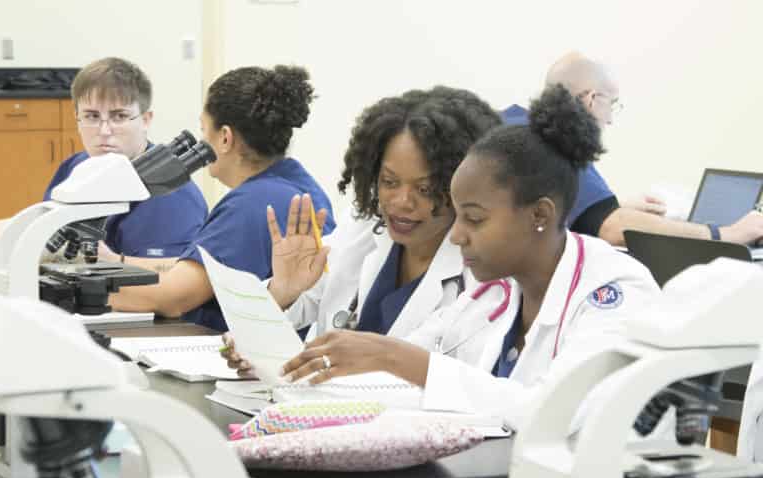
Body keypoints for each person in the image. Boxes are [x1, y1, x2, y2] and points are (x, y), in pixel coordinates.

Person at [274, 84, 660, 429]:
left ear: (539, 215)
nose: (456, 235)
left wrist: (392, 356)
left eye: (473, 219)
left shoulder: (615, 290)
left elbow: (558, 412)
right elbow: (396, 375)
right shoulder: (495, 294)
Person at [222, 87, 503, 374]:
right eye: (389, 182)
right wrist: (282, 293)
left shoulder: (481, 271)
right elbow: (301, 305)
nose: (401, 202)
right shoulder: (362, 230)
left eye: (425, 189)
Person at [107, 65, 335, 332]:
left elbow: (172, 297)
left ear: (225, 138)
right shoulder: (294, 185)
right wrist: (116, 262)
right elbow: (209, 269)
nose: (200, 141)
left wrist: (67, 289)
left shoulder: (255, 201)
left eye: (204, 131)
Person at [502, 52, 763, 247]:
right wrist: (725, 235)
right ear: (592, 99)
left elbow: (571, 213)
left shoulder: (513, 126)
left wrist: (612, 207)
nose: (611, 120)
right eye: (612, 105)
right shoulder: (554, 141)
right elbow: (613, 228)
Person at [0, 57, 208, 258]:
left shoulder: (172, 196)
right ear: (77, 119)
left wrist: (104, 258)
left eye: (119, 116)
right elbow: (37, 228)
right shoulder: (79, 167)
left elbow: (167, 292)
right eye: (91, 116)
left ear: (146, 120)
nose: (104, 130)